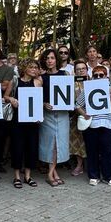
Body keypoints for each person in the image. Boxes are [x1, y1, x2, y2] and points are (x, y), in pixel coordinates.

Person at [76, 64, 111, 185]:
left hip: (107, 124)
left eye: (101, 75)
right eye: (95, 75)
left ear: (106, 76)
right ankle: (94, 176)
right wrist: (85, 114)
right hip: (92, 125)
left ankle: (108, 176)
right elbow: (77, 105)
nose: (98, 77)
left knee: (107, 151)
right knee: (92, 151)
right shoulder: (87, 89)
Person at [7, 59, 41, 189]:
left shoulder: (37, 82)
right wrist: (11, 99)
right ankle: (16, 176)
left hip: (32, 120)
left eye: (35, 67)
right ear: (24, 68)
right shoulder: (15, 81)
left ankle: (28, 176)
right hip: (18, 120)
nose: (34, 69)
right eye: (31, 67)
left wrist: (39, 115)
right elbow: (5, 96)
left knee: (31, 147)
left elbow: (39, 100)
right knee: (17, 147)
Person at [39, 48, 70, 186]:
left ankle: (51, 173)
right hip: (48, 115)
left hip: (62, 115)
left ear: (56, 59)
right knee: (50, 145)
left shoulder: (65, 74)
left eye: (52, 58)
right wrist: (44, 104)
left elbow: (70, 94)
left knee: (59, 144)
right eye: (47, 58)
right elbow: (37, 97)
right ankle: (52, 174)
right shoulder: (41, 78)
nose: (49, 60)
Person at [69, 59, 89, 176]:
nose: (81, 71)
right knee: (77, 141)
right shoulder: (71, 83)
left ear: (87, 70)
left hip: (92, 116)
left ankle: (90, 164)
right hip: (76, 117)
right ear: (75, 71)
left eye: (83, 69)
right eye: (78, 69)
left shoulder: (93, 81)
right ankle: (79, 165)